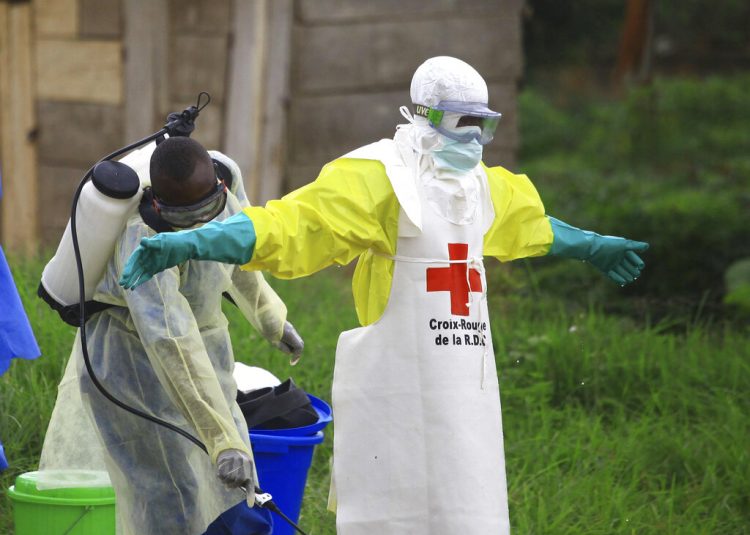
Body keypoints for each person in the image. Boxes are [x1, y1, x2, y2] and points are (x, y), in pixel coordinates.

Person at [119, 57, 648, 534]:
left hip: (466, 395)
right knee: (397, 511)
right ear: (426, 116)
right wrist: (192, 240)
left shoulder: (482, 187)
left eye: (487, 124)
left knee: (471, 505)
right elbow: (289, 226)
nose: (478, 140)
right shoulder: (379, 178)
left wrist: (593, 245)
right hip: (396, 391)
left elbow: (533, 225)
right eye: (466, 123)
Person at [39, 137, 304, 535]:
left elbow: (237, 247)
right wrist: (222, 441)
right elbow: (171, 341)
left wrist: (270, 318)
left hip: (205, 355)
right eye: (187, 218)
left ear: (219, 185)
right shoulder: (142, 243)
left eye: (209, 209)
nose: (200, 226)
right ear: (159, 206)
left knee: (231, 485)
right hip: (134, 372)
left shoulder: (224, 180)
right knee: (171, 493)